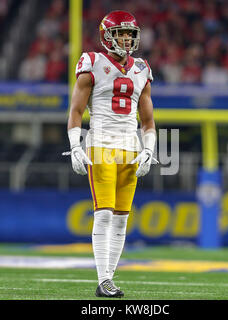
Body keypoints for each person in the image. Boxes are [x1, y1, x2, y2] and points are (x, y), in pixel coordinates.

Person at [66, 10, 156, 298]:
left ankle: (109, 279)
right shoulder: (92, 62)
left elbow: (148, 121)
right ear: (107, 35)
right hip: (101, 145)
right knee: (103, 214)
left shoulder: (142, 68)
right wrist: (75, 146)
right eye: (121, 33)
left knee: (121, 218)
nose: (127, 39)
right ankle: (103, 279)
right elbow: (76, 111)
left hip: (130, 149)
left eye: (130, 33)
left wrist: (149, 150)